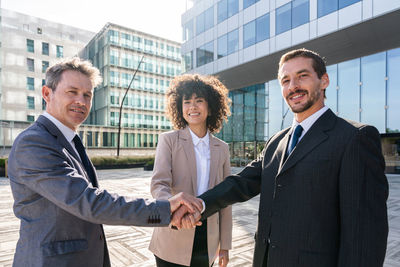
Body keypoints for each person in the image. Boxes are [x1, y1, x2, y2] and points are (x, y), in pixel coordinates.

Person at [174, 48, 389, 267]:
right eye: (285, 80)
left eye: (302, 76)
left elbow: (365, 234)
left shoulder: (355, 138)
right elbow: (241, 183)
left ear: (324, 80)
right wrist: (199, 205)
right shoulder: (277, 141)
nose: (293, 86)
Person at [7, 57, 201, 267]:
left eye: (87, 95)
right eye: (72, 92)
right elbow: (89, 201)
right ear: (47, 93)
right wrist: (164, 209)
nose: (81, 101)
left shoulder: (69, 139)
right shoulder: (34, 142)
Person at [149, 74, 233, 267]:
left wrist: (225, 245)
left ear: (211, 107)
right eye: (187, 102)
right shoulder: (168, 140)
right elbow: (158, 184)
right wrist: (173, 209)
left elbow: (226, 199)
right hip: (174, 234)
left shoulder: (222, 148)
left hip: (208, 239)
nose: (192, 107)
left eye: (199, 101)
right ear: (180, 108)